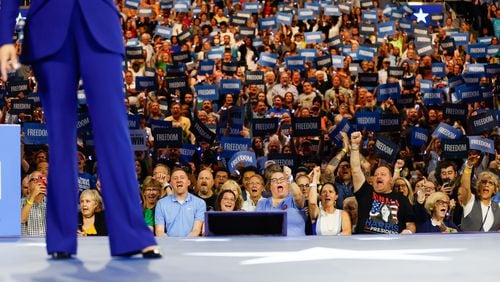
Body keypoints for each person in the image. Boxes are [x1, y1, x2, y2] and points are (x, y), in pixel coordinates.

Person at [0, 1, 159, 258]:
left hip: (99, 20)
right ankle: (61, 239)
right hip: (48, 25)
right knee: (61, 139)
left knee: (114, 131)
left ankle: (131, 233)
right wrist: (4, 36)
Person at [350, 131, 416, 234]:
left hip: (392, 246)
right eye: (376, 175)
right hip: (365, 245)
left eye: (383, 174)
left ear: (391, 180)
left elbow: (410, 223)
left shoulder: (401, 199)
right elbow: (355, 170)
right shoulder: (366, 192)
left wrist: (408, 232)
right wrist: (354, 146)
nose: (379, 176)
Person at [155, 168, 206, 237]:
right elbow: (159, 231)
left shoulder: (200, 203)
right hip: (169, 245)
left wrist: (184, 244)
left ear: (188, 182)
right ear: (171, 184)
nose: (179, 180)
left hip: (191, 244)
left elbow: (196, 230)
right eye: (175, 178)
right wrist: (170, 245)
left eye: (182, 178)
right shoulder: (161, 204)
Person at [256, 168, 306, 236]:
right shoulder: (263, 203)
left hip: (296, 243)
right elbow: (257, 225)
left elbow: (298, 195)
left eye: (282, 179)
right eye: (274, 180)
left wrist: (290, 178)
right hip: (270, 243)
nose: (278, 182)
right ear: (270, 187)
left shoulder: (293, 200)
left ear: (288, 184)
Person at [308, 167, 352, 236]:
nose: (327, 194)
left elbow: (347, 232)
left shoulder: (343, 214)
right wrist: (315, 179)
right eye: (324, 192)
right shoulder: (317, 212)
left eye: (330, 192)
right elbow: (312, 203)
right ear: (320, 196)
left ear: (336, 197)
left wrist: (331, 241)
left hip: (336, 245)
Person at [21, 171, 47, 237]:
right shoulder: (19, 202)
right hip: (27, 245)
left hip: (47, 245)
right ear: (28, 186)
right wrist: (33, 196)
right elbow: (21, 219)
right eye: (35, 180)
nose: (38, 182)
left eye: (41, 179)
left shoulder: (51, 203)